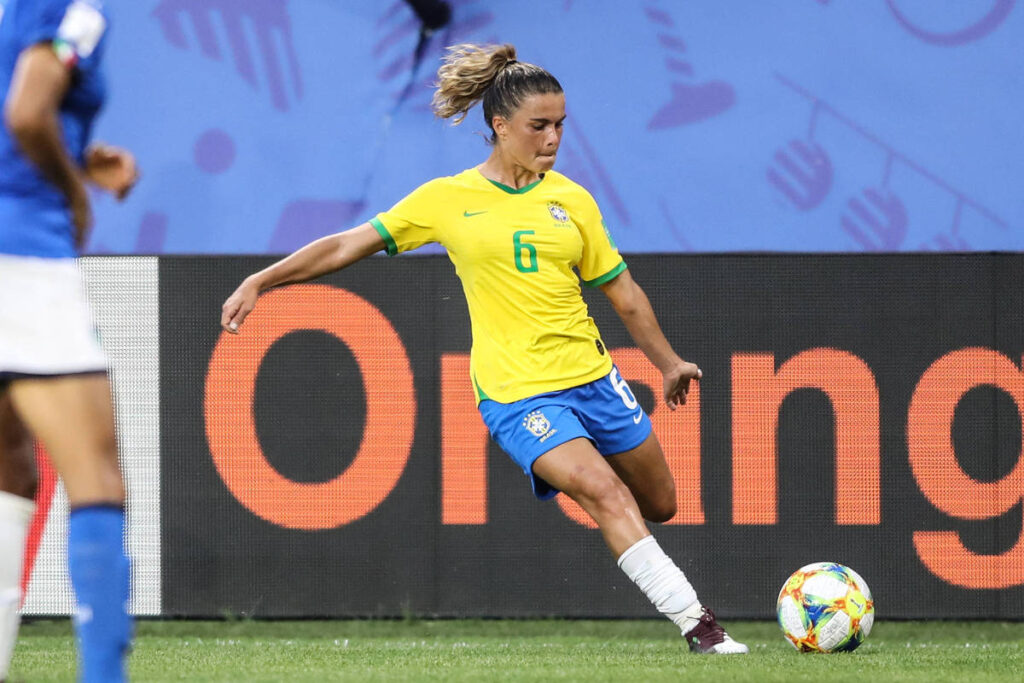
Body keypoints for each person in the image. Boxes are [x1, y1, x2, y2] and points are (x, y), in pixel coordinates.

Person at [221, 42, 747, 655]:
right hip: (517, 391)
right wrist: (263, 279)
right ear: (499, 126)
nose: (553, 139)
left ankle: (686, 605)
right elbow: (346, 246)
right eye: (538, 126)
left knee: (662, 503)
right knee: (602, 491)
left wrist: (669, 363)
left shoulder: (572, 201)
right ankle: (701, 627)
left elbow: (623, 294)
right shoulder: (446, 200)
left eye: (560, 126)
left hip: (595, 380)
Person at [0, 0, 137, 680]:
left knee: (10, 474)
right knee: (98, 480)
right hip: (21, 258)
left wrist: (77, 157)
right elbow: (26, 109)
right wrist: (72, 191)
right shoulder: (74, 6)